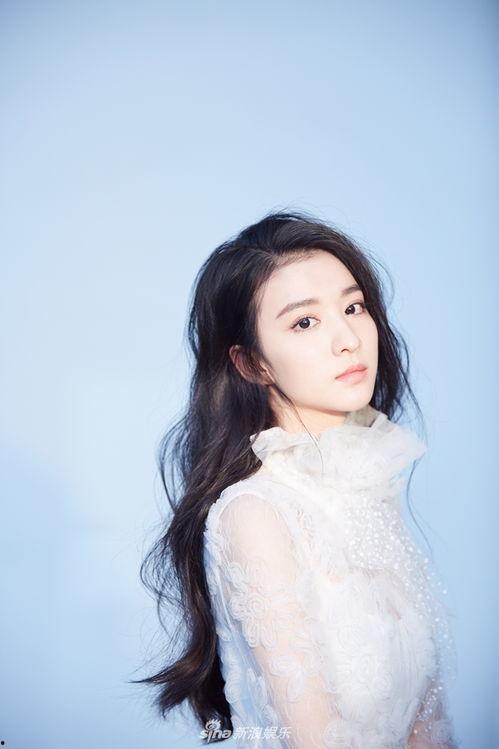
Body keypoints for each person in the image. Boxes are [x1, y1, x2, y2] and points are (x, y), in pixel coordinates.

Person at [131, 210, 460, 748]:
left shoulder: (367, 490)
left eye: (353, 307)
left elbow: (426, 724)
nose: (348, 339)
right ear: (251, 363)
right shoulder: (255, 513)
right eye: (305, 322)